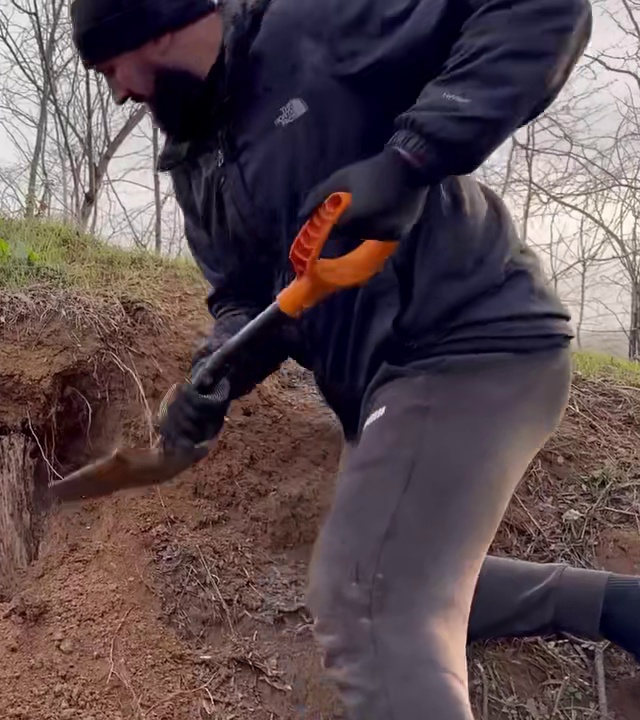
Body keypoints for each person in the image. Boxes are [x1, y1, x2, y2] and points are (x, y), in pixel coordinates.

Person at [69, 0, 640, 717]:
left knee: (366, 602)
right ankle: (620, 609)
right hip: (387, 380)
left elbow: (541, 10)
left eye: (109, 66)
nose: (117, 90)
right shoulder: (196, 163)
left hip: (467, 339)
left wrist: (408, 161)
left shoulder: (312, 29)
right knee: (400, 569)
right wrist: (218, 370)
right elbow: (247, 301)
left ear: (153, 28)